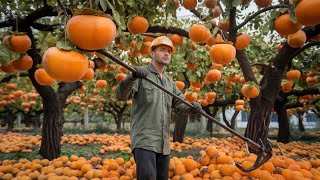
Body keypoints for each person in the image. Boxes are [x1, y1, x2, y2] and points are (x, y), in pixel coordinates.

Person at [115, 36, 202, 180]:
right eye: (162, 50)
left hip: (163, 143)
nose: (166, 53)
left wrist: (192, 108)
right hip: (145, 140)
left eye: (169, 51)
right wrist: (132, 77)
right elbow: (120, 96)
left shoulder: (169, 83)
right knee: (148, 177)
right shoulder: (141, 74)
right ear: (152, 53)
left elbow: (180, 104)